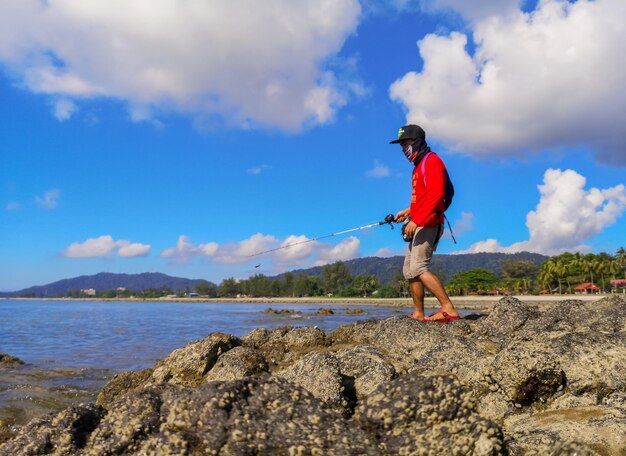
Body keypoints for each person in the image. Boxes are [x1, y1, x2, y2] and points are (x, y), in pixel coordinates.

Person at [390, 124, 460, 322]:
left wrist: (418, 219)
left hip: (428, 222)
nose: (404, 149)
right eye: (401, 146)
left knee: (419, 267)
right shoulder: (418, 167)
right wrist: (408, 212)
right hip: (417, 221)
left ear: (417, 142)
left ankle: (448, 308)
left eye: (406, 144)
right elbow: (422, 198)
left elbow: (437, 195)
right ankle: (419, 313)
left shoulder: (432, 161)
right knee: (409, 271)